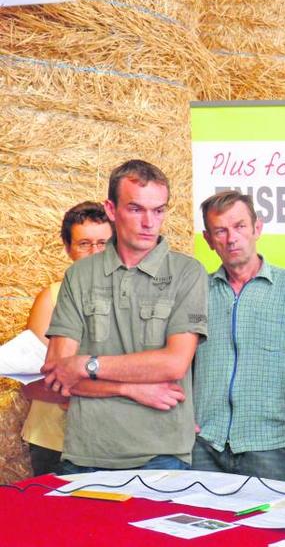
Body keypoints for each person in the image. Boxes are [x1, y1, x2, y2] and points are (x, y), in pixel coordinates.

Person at [41, 159, 208, 472]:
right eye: (136, 209)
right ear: (111, 209)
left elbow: (173, 363)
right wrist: (131, 388)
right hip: (85, 454)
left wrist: (87, 365)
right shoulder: (79, 275)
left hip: (161, 456)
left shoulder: (187, 272)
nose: (149, 222)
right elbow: (59, 375)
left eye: (158, 210)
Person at [192, 190, 285, 481]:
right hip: (204, 444)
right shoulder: (196, 292)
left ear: (257, 228)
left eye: (239, 226)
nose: (231, 238)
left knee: (264, 525)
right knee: (199, 524)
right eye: (220, 231)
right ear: (209, 240)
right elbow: (181, 364)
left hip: (268, 446)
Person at [21, 201, 113, 475]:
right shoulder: (51, 299)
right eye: (84, 243)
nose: (95, 252)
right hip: (55, 441)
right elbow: (32, 382)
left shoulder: (131, 297)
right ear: (67, 248)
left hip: (114, 440)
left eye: (103, 243)